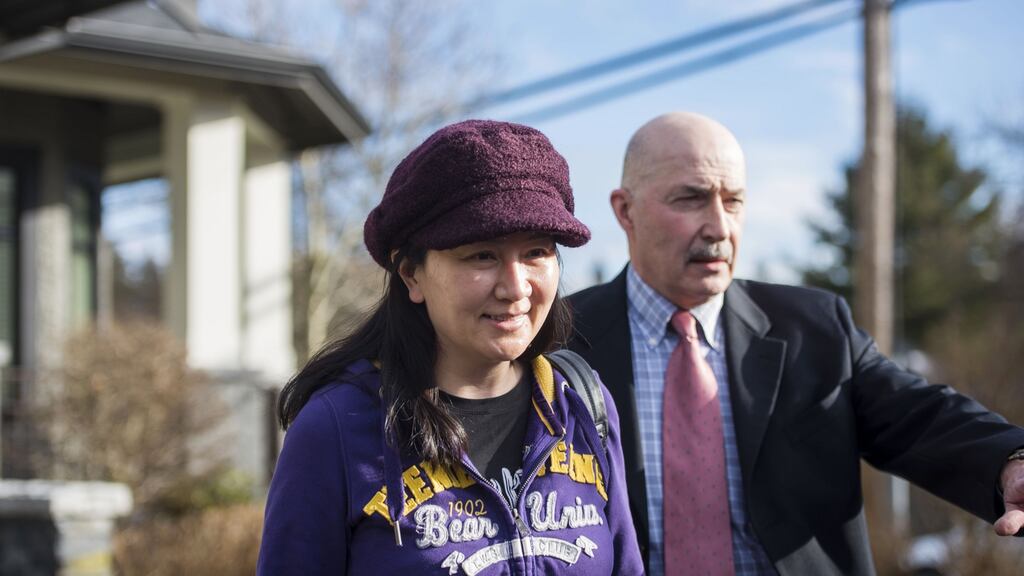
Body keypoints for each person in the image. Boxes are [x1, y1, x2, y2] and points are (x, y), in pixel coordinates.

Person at [568, 111, 1024, 576]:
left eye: (734, 201)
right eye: (691, 199)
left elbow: (921, 415)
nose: (720, 227)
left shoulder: (816, 328)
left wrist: (1010, 462)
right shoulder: (560, 341)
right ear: (625, 210)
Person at [257, 119, 644, 575]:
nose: (516, 287)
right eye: (482, 255)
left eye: (537, 252)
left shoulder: (582, 405)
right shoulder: (336, 428)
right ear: (411, 275)